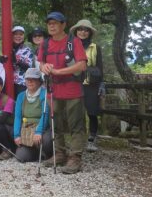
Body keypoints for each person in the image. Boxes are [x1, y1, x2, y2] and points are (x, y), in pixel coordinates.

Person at [39, 11, 87, 174]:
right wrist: (44, 67)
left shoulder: (74, 42)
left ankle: (75, 157)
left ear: (63, 25)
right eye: (49, 23)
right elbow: (41, 63)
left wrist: (58, 72)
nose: (51, 26)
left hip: (73, 89)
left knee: (76, 125)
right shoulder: (45, 44)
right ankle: (59, 153)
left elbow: (81, 65)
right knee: (55, 123)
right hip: (53, 89)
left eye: (55, 23)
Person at [70, 19, 104, 152]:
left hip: (91, 84)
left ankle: (92, 139)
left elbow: (100, 67)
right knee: (75, 113)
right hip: (74, 83)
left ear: (89, 32)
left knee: (92, 112)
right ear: (76, 31)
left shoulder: (95, 47)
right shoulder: (70, 46)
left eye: (86, 30)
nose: (82, 32)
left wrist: (102, 84)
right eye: (80, 29)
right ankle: (77, 140)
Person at [13, 68, 52, 162]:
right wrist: (16, 135)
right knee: (21, 156)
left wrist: (38, 132)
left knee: (47, 140)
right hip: (26, 129)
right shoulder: (21, 96)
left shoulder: (45, 94)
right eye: (27, 79)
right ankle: (37, 153)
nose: (30, 81)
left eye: (33, 79)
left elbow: (45, 114)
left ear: (39, 81)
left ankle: (47, 154)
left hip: (42, 130)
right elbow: (17, 117)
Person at [11, 26, 34, 97]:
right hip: (8, 82)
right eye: (16, 34)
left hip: (21, 83)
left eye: (20, 34)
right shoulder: (8, 48)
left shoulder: (27, 50)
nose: (18, 36)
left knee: (20, 102)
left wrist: (17, 62)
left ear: (23, 36)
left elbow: (28, 67)